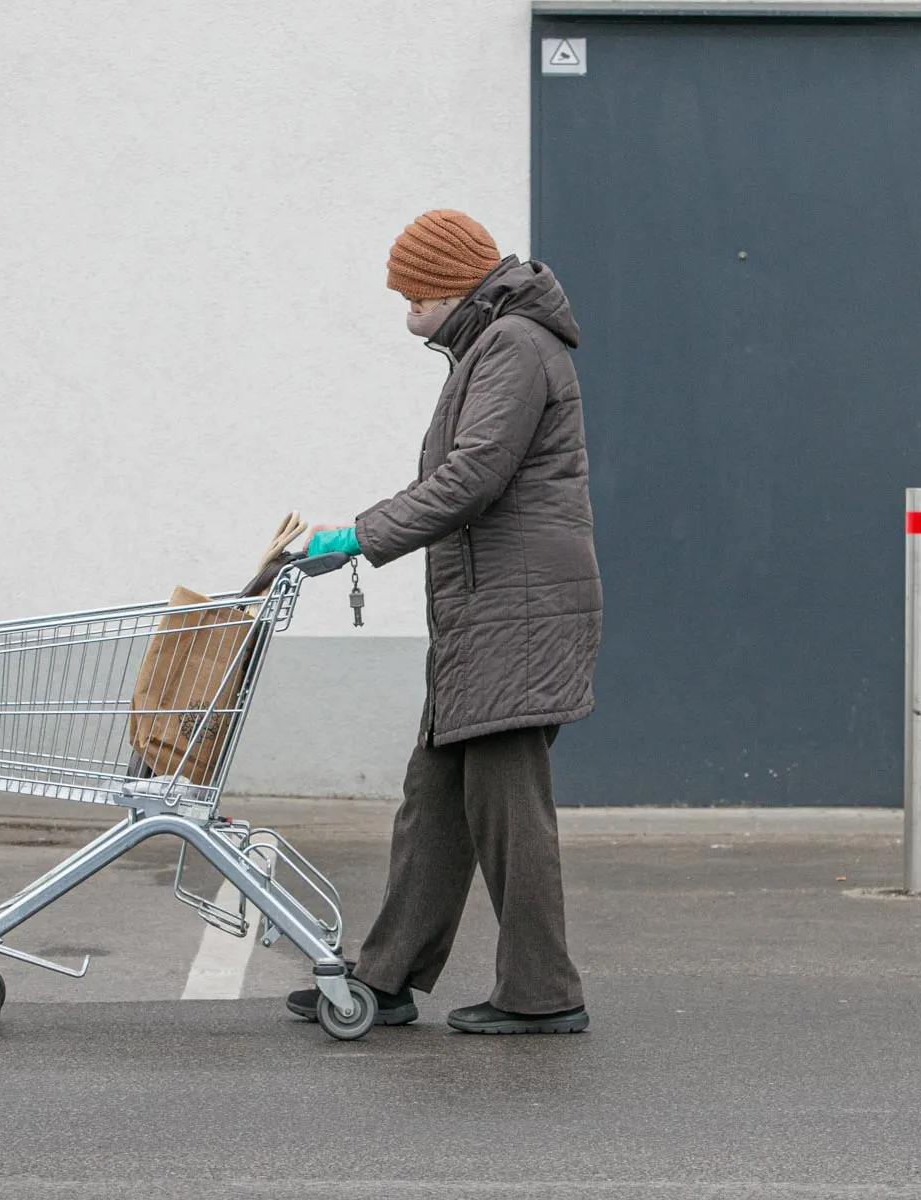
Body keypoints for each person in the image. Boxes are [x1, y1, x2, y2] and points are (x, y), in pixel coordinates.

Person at [287, 210, 602, 1034]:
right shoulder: (491, 345)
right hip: (488, 612)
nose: (405, 315)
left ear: (446, 287)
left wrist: (360, 535)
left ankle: (543, 994)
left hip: (517, 615)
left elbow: (473, 477)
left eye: (411, 296)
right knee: (434, 799)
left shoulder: (514, 347)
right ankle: (384, 979)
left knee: (508, 809)